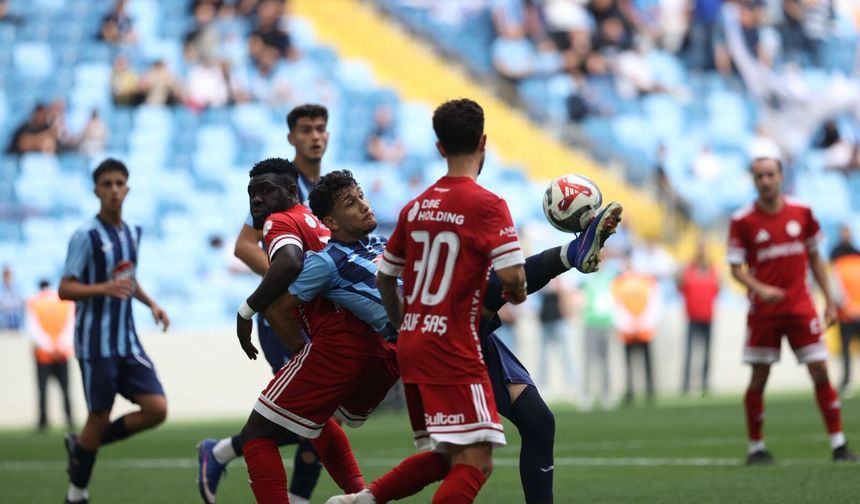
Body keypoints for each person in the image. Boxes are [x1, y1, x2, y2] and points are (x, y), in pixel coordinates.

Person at [308, 168, 623, 504]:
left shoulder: (383, 239)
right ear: (331, 222)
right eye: (350, 202)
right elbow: (288, 293)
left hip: (458, 328)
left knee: (533, 423)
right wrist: (247, 312)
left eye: (360, 195)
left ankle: (365, 500)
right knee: (472, 461)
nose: (363, 204)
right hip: (438, 338)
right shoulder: (328, 262)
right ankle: (571, 254)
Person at [197, 104, 330, 504]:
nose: (315, 136)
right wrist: (283, 281)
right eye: (305, 129)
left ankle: (221, 452)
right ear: (291, 137)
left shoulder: (322, 189)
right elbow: (243, 245)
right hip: (282, 317)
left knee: (319, 411)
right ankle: (225, 456)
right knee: (311, 409)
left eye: (321, 129)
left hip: (314, 314)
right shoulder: (278, 189)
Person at [233, 159, 370, 503]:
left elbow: (290, 261)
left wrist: (246, 310)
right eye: (252, 192)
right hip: (363, 338)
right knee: (317, 418)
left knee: (257, 436)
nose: (257, 200)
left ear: (292, 191)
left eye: (266, 190)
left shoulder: (280, 221)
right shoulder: (314, 222)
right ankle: (359, 494)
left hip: (337, 342)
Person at [727, 157, 857, 464]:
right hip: (764, 312)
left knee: (821, 371)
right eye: (759, 176)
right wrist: (761, 288)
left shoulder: (803, 212)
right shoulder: (742, 220)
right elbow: (735, 267)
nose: (766, 181)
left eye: (770, 174)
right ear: (754, 180)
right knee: (759, 377)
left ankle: (839, 445)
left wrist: (829, 300)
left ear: (781, 177)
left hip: (801, 307)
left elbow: (816, 259)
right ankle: (755, 448)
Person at [59, 159, 171, 504]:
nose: (113, 190)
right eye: (106, 184)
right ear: (96, 190)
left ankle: (82, 444)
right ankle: (76, 493)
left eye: (119, 183)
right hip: (96, 344)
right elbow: (65, 288)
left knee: (157, 409)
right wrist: (103, 289)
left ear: (127, 188)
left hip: (127, 342)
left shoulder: (133, 232)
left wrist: (151, 303)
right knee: (100, 414)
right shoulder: (85, 235)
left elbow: (128, 279)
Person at [26, 279, 75, 431]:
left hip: (43, 354)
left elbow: (33, 329)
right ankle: (69, 418)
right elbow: (70, 325)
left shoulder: (33, 302)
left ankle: (43, 421)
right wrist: (59, 346)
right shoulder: (66, 302)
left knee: (42, 389)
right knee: (66, 389)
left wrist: (49, 347)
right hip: (62, 353)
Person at [612, 257, 660, 405]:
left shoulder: (647, 281)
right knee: (629, 363)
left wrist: (643, 321)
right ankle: (630, 390)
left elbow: (653, 302)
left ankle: (650, 390)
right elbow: (616, 304)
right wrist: (628, 323)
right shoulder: (619, 282)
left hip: (643, 328)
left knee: (646, 361)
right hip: (628, 330)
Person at [678, 239, 720, 395]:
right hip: (693, 317)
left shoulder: (713, 270)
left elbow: (717, 289)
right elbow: (680, 286)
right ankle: (686, 385)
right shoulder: (688, 270)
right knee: (689, 353)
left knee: (707, 354)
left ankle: (705, 384)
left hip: (708, 317)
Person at [830, 224, 860, 395]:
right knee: (846, 352)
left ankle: (847, 382)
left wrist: (847, 307)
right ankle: (847, 381)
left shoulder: (838, 264)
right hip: (853, 313)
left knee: (846, 352)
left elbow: (837, 290)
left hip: (848, 314)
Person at [0, 264, 24, 330]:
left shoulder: (17, 288)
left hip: (17, 323)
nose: (7, 277)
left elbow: (21, 302)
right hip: (4, 323)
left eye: (9, 274)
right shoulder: (1, 288)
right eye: (6, 274)